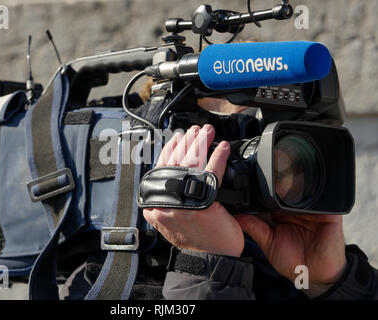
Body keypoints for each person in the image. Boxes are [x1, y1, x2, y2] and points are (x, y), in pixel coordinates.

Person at [143, 98, 378, 300]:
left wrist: (328, 283)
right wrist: (205, 264)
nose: (277, 177)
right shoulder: (128, 264)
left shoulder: (295, 266)